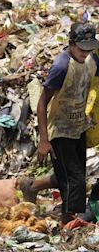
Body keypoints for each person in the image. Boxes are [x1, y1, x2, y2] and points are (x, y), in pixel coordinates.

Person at [21, 22, 99, 225]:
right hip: (60, 130)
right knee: (73, 181)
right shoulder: (61, 66)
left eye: (90, 48)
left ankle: (33, 186)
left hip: (78, 126)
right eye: (82, 49)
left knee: (74, 174)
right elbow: (41, 103)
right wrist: (44, 141)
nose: (85, 53)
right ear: (71, 44)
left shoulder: (90, 60)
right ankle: (68, 225)